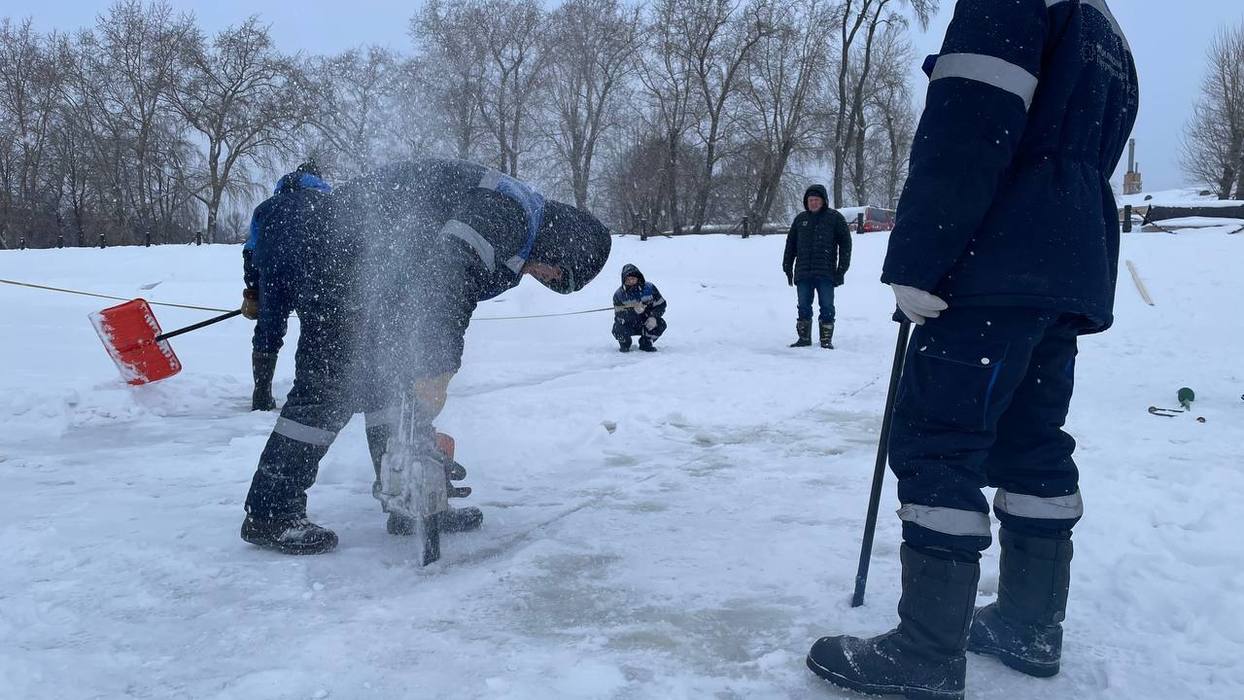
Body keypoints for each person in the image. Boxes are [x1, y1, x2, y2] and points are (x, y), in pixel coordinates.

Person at [806, 2, 1139, 698]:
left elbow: (970, 124)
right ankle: (1028, 623)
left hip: (998, 255)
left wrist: (921, 257)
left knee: (937, 442)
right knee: (1032, 438)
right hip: (1070, 261)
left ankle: (925, 653)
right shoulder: (1103, 24)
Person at [240, 158, 612, 555]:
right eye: (559, 273)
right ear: (563, 244)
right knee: (329, 387)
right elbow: (448, 273)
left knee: (390, 385)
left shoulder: (515, 223)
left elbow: (453, 289)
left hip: (377, 274)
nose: (547, 278)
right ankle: (270, 512)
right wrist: (438, 368)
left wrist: (427, 369)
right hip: (343, 257)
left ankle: (408, 495)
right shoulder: (509, 215)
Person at [241, 161, 332, 411]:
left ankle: (261, 394)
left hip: (272, 274)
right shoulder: (327, 205)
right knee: (316, 328)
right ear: (317, 179)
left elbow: (250, 251)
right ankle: (310, 393)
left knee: (268, 330)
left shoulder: (265, 208)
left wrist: (253, 289)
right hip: (314, 274)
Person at [783, 184, 851, 349]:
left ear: (824, 201)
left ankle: (826, 340)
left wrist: (841, 270)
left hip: (825, 272)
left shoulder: (835, 218)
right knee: (803, 305)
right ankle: (804, 338)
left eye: (816, 200)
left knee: (827, 305)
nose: (813, 203)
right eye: (810, 200)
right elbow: (790, 244)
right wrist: (787, 265)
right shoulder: (800, 219)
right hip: (803, 272)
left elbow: (846, 244)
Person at [611, 264, 667, 352]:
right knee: (618, 328)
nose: (631, 281)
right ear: (623, 280)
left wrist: (654, 316)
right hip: (628, 324)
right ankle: (625, 343)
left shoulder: (650, 288)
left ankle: (646, 342)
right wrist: (634, 311)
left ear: (638, 277)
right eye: (628, 279)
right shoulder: (619, 295)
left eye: (633, 278)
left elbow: (661, 304)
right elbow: (619, 314)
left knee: (661, 324)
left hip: (646, 322)